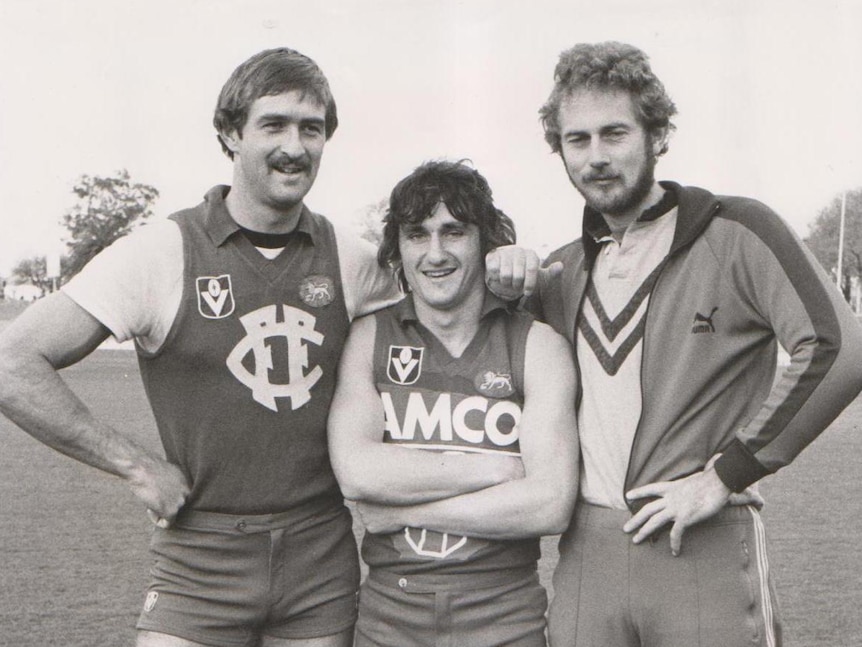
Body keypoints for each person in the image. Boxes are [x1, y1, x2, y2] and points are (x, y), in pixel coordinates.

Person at [0, 49, 535, 647]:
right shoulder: (160, 252)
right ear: (230, 133)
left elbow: (449, 295)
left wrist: (505, 263)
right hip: (198, 556)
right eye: (273, 125)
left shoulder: (353, 261)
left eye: (311, 129)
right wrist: (134, 464)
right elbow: (12, 363)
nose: (295, 146)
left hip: (319, 561)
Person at [522, 41, 862, 647]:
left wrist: (725, 475)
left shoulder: (735, 231)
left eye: (615, 133)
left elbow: (839, 347)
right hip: (585, 562)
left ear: (657, 133)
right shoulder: (560, 271)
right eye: (578, 140)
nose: (596, 157)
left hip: (702, 544)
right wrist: (504, 270)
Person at [327, 160, 578, 647]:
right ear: (397, 249)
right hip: (390, 617)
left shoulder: (538, 346)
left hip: (504, 617)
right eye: (417, 235)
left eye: (453, 232)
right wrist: (494, 469)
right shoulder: (369, 337)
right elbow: (357, 472)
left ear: (484, 240)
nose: (435, 253)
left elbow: (549, 504)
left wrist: (400, 511)